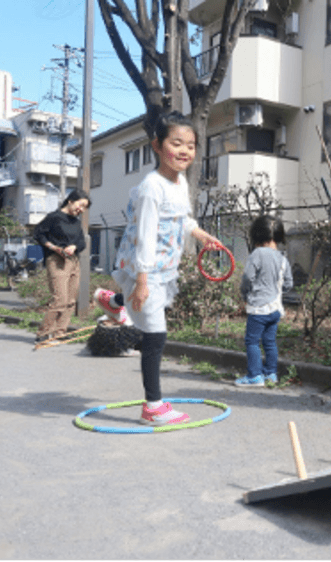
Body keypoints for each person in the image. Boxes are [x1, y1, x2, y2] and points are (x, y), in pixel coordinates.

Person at [97, 111, 223, 426]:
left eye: (191, 145)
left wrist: (201, 234)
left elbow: (182, 219)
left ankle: (112, 302)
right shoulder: (152, 187)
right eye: (176, 143)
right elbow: (146, 235)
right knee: (156, 336)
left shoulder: (179, 183)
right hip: (146, 266)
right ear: (157, 145)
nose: (185, 151)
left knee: (148, 317)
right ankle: (152, 406)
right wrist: (141, 281)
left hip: (162, 267)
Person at [236, 215, 293, 387]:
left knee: (252, 341)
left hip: (258, 308)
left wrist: (245, 294)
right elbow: (289, 283)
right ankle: (271, 374)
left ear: (257, 235)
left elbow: (247, 277)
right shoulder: (283, 258)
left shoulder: (257, 254)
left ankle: (255, 376)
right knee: (269, 342)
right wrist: (276, 292)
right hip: (275, 309)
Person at [33, 190, 91, 344]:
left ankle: (60, 332)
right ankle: (43, 333)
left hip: (74, 262)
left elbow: (82, 243)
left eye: (85, 208)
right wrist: (53, 247)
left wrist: (73, 246)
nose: (82, 210)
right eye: (81, 205)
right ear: (71, 201)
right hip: (57, 261)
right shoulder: (54, 217)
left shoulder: (77, 222)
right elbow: (38, 234)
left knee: (71, 300)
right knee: (60, 299)